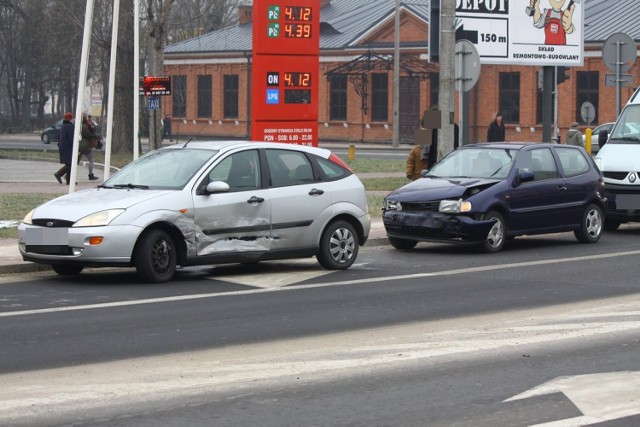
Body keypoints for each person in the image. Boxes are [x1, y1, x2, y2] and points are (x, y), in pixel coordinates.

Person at [54, 112, 74, 184]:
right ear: (70, 119)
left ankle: (69, 180)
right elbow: (72, 138)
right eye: (72, 118)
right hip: (68, 147)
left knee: (69, 163)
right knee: (70, 164)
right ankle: (59, 173)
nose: (73, 119)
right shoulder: (70, 127)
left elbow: (59, 137)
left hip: (63, 147)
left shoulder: (63, 126)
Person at [78, 114, 100, 180]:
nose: (88, 119)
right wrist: (92, 128)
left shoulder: (78, 125)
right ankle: (90, 175)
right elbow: (89, 135)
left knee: (76, 161)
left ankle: (65, 174)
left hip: (79, 145)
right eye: (87, 118)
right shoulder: (85, 126)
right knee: (91, 160)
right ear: (84, 119)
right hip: (85, 145)